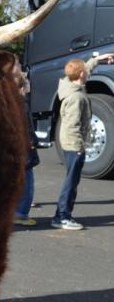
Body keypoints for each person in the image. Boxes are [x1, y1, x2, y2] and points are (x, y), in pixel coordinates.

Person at [52, 53, 114, 230]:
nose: (88, 73)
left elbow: (84, 68)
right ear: (81, 75)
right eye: (85, 72)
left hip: (70, 144)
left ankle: (62, 215)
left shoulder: (69, 85)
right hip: (73, 145)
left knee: (72, 180)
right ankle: (62, 216)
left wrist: (99, 59)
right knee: (71, 182)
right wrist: (79, 147)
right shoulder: (76, 98)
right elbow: (72, 126)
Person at [12, 61, 40, 226]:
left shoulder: (12, 101)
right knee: (27, 180)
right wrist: (31, 141)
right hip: (24, 146)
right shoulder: (21, 102)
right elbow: (26, 125)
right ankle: (21, 213)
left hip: (15, 145)